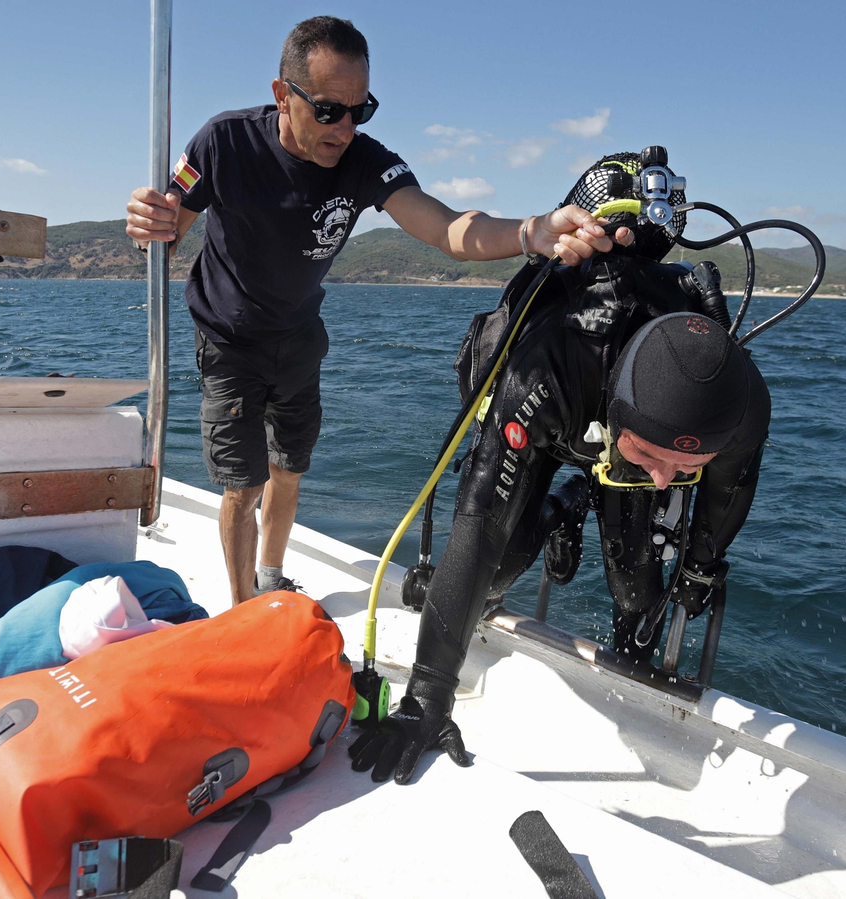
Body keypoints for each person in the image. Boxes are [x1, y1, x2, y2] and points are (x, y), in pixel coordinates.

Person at [124, 16, 618, 604]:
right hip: (230, 339)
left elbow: (447, 229)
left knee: (289, 467)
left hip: (300, 336)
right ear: (283, 95)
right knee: (243, 484)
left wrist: (534, 230)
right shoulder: (222, 142)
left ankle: (271, 577)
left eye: (362, 109)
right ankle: (241, 613)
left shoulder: (364, 159)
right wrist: (147, 225)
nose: (346, 127)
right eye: (330, 110)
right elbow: (166, 234)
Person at [348, 151, 772, 785]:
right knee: (497, 571)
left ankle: (623, 599)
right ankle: (565, 505)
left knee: (638, 592)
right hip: (557, 422)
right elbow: (480, 522)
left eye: (686, 466)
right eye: (653, 459)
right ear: (618, 418)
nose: (664, 480)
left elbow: (727, 493)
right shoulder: (547, 371)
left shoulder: (740, 407)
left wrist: (701, 565)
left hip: (622, 427)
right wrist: (427, 698)